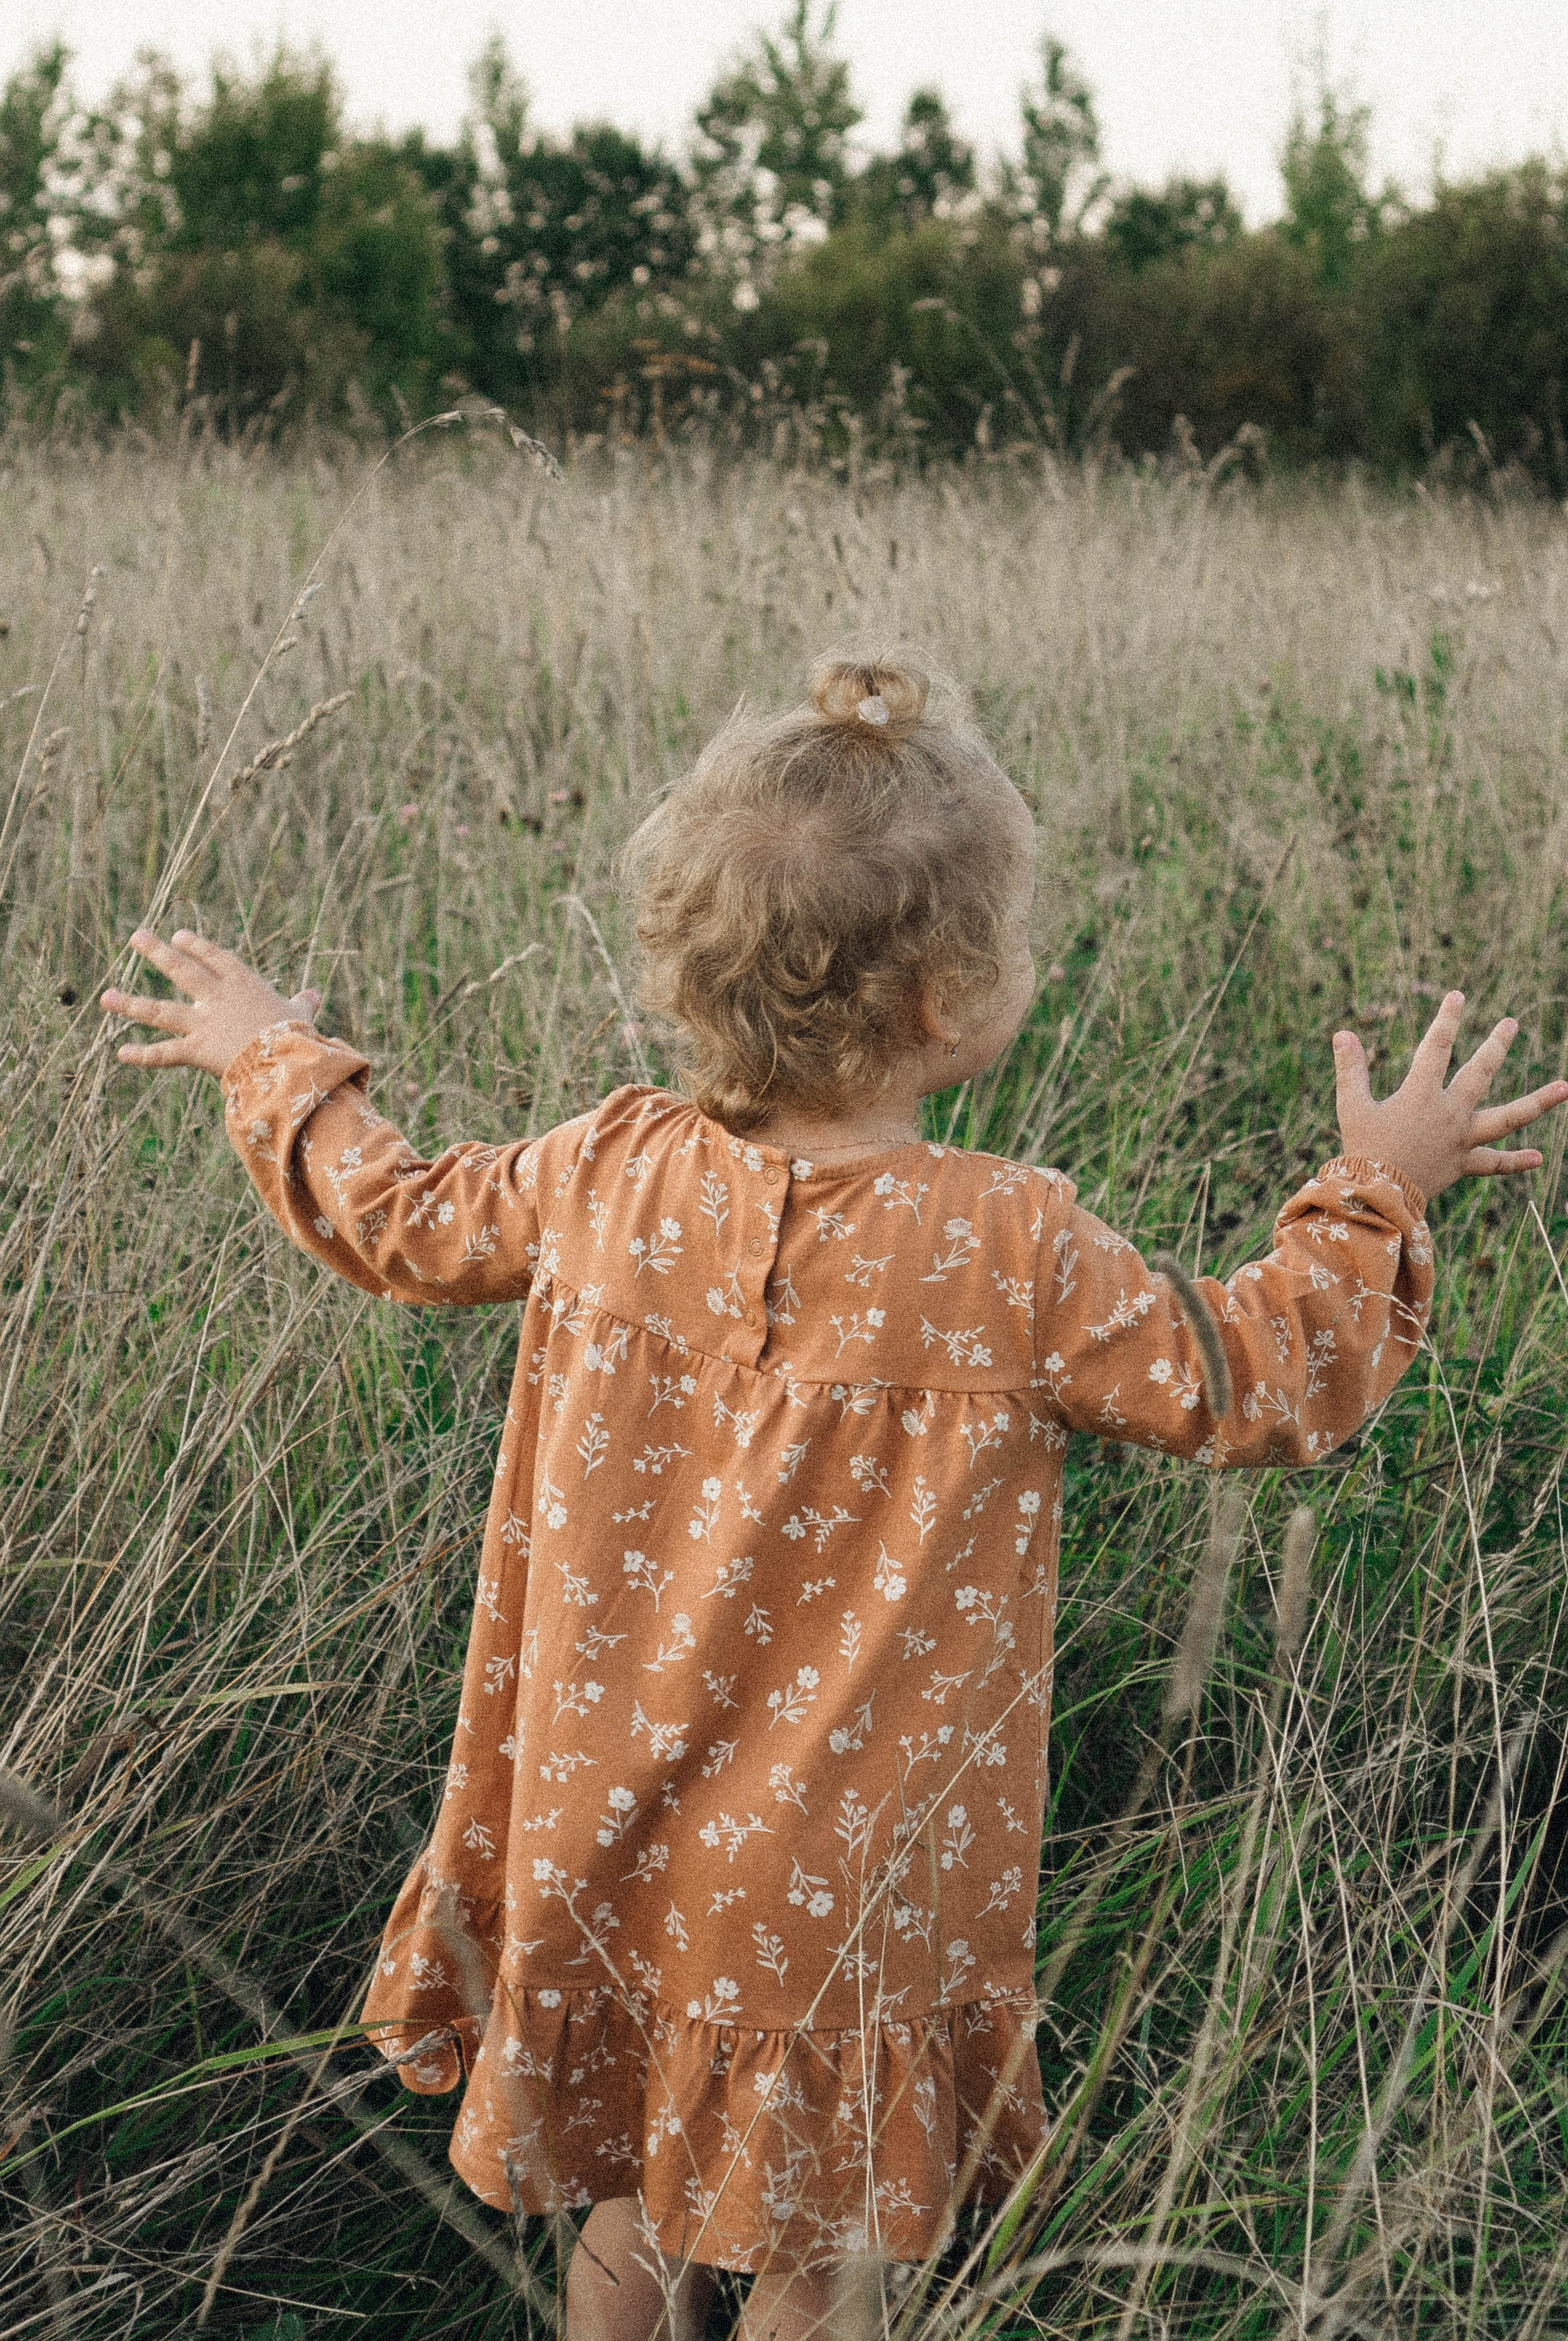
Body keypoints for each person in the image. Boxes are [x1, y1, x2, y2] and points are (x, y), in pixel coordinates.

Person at [102, 653, 1567, 2341]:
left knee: (636, 2200)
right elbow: (1251, 1380)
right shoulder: (1006, 1246)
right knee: (825, 2255)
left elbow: (396, 1217)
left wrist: (273, 1055)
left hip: (605, 1830)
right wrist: (1377, 1186)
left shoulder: (603, 1172)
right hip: (846, 1893)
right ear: (947, 1003)